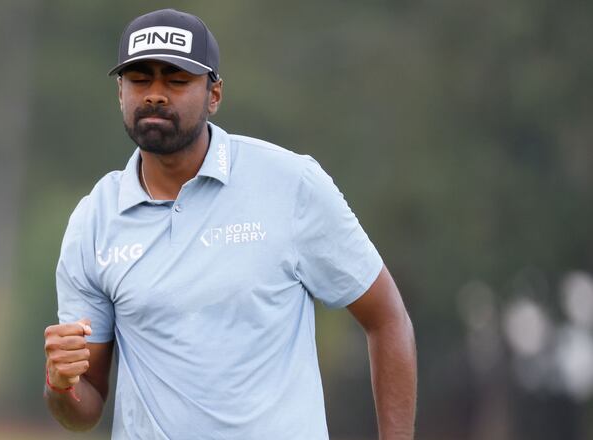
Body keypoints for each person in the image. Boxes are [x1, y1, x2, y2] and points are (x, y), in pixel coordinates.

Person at [44, 8, 416, 440]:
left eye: (177, 80)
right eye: (140, 80)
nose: (156, 95)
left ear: (214, 94)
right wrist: (60, 383)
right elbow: (84, 409)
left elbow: (387, 319)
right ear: (120, 93)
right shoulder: (95, 219)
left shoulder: (290, 183)